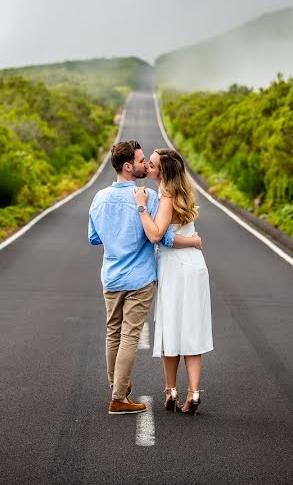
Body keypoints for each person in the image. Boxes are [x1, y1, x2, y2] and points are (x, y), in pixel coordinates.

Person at [88, 140, 203, 415]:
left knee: (112, 332)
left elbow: (94, 238)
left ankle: (117, 385)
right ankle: (118, 397)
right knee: (130, 335)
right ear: (128, 166)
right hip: (139, 277)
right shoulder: (148, 196)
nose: (144, 164)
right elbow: (160, 235)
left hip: (111, 276)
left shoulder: (99, 198)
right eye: (141, 161)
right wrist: (192, 241)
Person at [134, 148, 213, 415]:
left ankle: (171, 390)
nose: (147, 167)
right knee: (192, 329)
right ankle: (193, 391)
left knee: (171, 328)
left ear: (163, 172)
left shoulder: (165, 199)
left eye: (152, 165)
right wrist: (193, 240)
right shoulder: (186, 193)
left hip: (176, 267)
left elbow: (158, 235)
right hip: (195, 265)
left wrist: (142, 209)